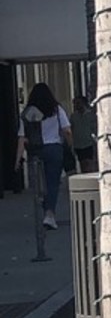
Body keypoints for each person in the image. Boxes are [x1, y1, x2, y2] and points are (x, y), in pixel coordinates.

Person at [16, 82, 73, 229]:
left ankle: (43, 203)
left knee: (39, 183)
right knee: (53, 182)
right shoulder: (56, 109)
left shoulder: (27, 113)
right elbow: (67, 130)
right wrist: (70, 146)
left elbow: (22, 137)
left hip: (35, 150)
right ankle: (49, 214)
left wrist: (18, 159)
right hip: (54, 148)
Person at [71, 93, 97, 173]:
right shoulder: (73, 116)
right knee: (82, 164)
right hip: (78, 145)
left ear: (84, 103)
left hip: (89, 143)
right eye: (75, 103)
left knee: (89, 164)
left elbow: (94, 128)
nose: (76, 105)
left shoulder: (91, 115)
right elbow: (71, 129)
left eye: (78, 103)